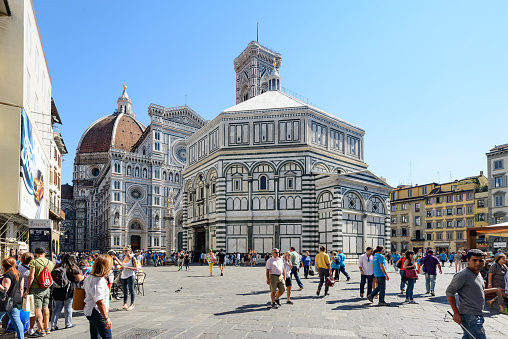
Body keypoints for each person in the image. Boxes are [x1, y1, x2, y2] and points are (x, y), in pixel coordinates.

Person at [446, 249, 504, 339]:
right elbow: (449, 292)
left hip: (477, 315)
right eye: (474, 260)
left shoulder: (477, 273)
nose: (478, 263)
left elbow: (479, 291)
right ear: (468, 260)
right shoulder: (463, 275)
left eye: (481, 260)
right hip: (469, 316)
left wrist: (495, 289)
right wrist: (456, 313)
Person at [24, 247, 54, 337]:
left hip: (36, 288)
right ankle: (46, 327)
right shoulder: (50, 262)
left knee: (37, 309)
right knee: (45, 307)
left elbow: (31, 276)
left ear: (35, 253)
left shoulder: (34, 262)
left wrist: (27, 289)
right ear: (44, 253)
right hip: (46, 288)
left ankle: (40, 329)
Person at [51, 254, 84, 331]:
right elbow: (79, 279)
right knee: (68, 306)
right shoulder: (73, 268)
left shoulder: (58, 266)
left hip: (58, 289)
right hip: (69, 289)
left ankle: (53, 325)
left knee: (57, 308)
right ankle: (68, 323)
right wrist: (83, 276)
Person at [84, 254, 113, 339]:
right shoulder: (98, 280)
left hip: (90, 310)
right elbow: (99, 301)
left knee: (95, 337)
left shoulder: (89, 277)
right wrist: (106, 318)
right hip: (96, 311)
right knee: (107, 337)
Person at [0, 257, 25, 339]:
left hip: (5, 301)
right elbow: (21, 289)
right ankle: (21, 337)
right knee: (17, 321)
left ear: (3, 265)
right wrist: (19, 298)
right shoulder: (19, 274)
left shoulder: (7, 275)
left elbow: (5, 290)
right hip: (16, 299)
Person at [119, 246, 138, 311]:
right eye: (124, 250)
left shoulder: (133, 258)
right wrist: (121, 266)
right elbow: (123, 265)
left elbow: (136, 268)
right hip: (123, 275)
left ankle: (131, 304)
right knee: (125, 290)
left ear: (129, 251)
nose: (124, 252)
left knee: (131, 290)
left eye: (126, 250)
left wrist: (127, 267)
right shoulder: (124, 257)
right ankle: (125, 304)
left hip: (130, 275)